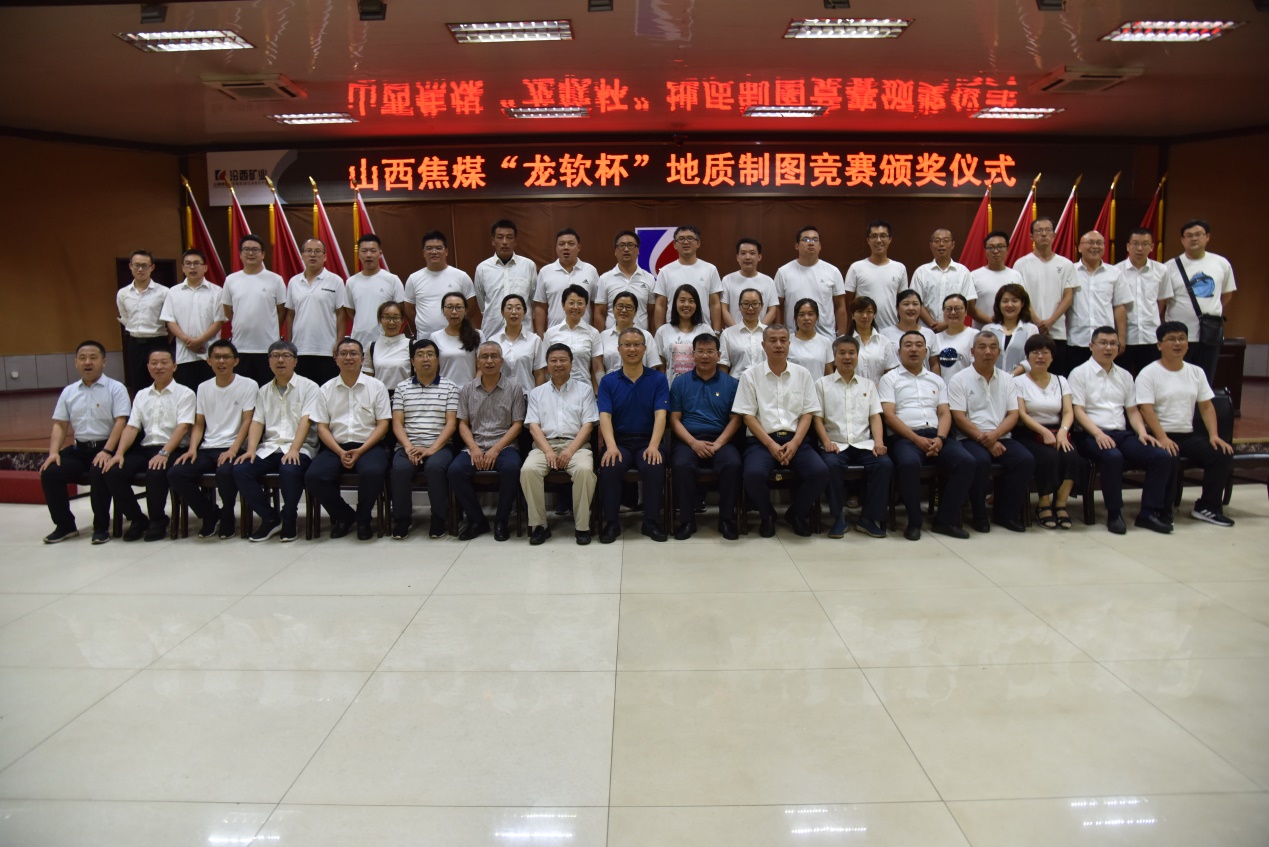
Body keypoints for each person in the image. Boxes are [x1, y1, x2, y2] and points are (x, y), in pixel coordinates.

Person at [1069, 326, 1173, 534]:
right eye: (1103, 343)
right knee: (1113, 457)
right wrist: (1098, 434)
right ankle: (1114, 513)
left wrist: (1142, 433)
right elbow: (1078, 411)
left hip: (1121, 433)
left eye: (1113, 344)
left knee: (1160, 456)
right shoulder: (1079, 374)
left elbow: (1132, 411)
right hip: (1090, 434)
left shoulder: (1125, 375)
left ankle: (1148, 513)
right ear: (1091, 346)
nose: (1108, 348)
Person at [732, 324, 829, 537]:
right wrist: (770, 444)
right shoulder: (750, 375)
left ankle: (796, 514)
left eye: (783, 340)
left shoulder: (802, 374)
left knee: (820, 472)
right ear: (763, 345)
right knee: (752, 474)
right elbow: (748, 416)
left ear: (789, 344)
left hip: (796, 439)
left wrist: (795, 443)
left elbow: (808, 413)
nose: (778, 345)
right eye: (773, 340)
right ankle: (767, 515)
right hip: (762, 441)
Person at [1136, 321, 1235, 527]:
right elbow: (1146, 409)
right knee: (1168, 456)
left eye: (1182, 339)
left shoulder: (1196, 372)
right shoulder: (1148, 373)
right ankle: (1162, 511)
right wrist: (1162, 438)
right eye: (1171, 339)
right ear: (1159, 345)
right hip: (1159, 434)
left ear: (1188, 344)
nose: (1178, 343)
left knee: (1220, 453)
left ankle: (1208, 507)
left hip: (1187, 434)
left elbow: (1206, 406)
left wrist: (1214, 435)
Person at [879, 332, 975, 540]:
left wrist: (940, 438)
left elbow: (944, 413)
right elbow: (889, 415)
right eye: (908, 345)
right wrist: (917, 440)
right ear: (899, 351)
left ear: (926, 351)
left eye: (918, 345)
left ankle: (945, 521)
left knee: (966, 462)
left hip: (936, 435)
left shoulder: (936, 380)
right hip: (905, 438)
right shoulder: (889, 379)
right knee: (909, 464)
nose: (913, 349)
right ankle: (914, 522)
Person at [39, 340, 131, 544]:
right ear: (76, 363)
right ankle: (65, 525)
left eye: (93, 358)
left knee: (99, 471)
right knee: (51, 472)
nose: (87, 362)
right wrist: (53, 452)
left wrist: (107, 451)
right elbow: (60, 424)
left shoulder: (116, 388)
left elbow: (121, 422)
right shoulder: (69, 391)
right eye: (82, 358)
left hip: (106, 447)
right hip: (79, 450)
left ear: (103, 361)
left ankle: (101, 527)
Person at [164, 338, 254, 538]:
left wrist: (233, 450)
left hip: (235, 447)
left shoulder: (249, 385)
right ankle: (209, 514)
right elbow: (199, 423)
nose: (221, 361)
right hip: (208, 447)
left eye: (226, 357)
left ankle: (228, 516)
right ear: (209, 361)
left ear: (235, 361)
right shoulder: (203, 387)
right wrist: (192, 449)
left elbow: (248, 421)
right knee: (176, 473)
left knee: (225, 472)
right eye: (217, 357)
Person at [102, 348, 195, 541]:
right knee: (113, 471)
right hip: (145, 449)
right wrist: (119, 453)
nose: (158, 367)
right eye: (154, 363)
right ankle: (137, 519)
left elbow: (183, 427)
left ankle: (158, 521)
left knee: (155, 471)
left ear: (174, 366)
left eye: (164, 362)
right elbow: (131, 427)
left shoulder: (185, 393)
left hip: (174, 449)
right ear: (148, 367)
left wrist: (164, 453)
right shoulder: (142, 395)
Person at [948, 331, 1035, 533]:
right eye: (982, 347)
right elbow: (959, 417)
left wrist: (994, 436)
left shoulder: (1008, 379)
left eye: (993, 347)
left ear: (999, 352)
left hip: (1001, 435)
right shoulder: (959, 379)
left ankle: (1006, 514)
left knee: (1025, 460)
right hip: (969, 438)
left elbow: (1013, 414)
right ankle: (979, 515)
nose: (988, 352)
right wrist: (984, 439)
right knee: (980, 461)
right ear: (972, 352)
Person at [232, 339, 318, 542]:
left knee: (289, 469)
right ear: (269, 361)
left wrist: (294, 449)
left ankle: (289, 519)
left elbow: (306, 420)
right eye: (275, 356)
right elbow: (257, 421)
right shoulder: (263, 391)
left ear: (295, 361)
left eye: (286, 356)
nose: (280, 360)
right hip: (270, 448)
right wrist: (251, 449)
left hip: (300, 448)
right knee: (240, 470)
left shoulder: (309, 387)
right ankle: (270, 518)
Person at [306, 337, 392, 540]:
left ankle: (363, 519)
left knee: (373, 472)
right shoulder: (326, 389)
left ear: (362, 359)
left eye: (353, 353)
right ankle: (344, 515)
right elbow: (322, 427)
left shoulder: (376, 386)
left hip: (369, 446)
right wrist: (339, 451)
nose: (348, 358)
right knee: (313, 476)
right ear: (335, 359)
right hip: (336, 447)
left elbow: (383, 424)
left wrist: (361, 451)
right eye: (343, 354)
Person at [597, 327, 671, 543]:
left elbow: (661, 415)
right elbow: (605, 416)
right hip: (619, 442)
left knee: (654, 465)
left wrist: (654, 446)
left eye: (637, 345)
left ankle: (651, 522)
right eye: (627, 345)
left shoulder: (658, 379)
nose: (632, 349)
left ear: (644, 348)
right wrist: (611, 446)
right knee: (609, 465)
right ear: (619, 349)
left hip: (648, 441)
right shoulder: (608, 381)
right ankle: (611, 523)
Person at [520, 343, 599, 545]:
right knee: (528, 470)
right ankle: (540, 526)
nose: (558, 364)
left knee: (584, 471)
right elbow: (533, 426)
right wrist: (548, 451)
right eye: (553, 360)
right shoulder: (537, 393)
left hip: (577, 446)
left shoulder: (584, 390)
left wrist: (570, 451)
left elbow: (588, 425)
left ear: (571, 363)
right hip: (544, 446)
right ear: (547, 365)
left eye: (563, 360)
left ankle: (582, 527)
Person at [814, 335, 892, 539]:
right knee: (830, 465)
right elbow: (817, 418)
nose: (847, 357)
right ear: (834, 356)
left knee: (884, 464)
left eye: (851, 353)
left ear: (858, 356)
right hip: (835, 444)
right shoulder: (822, 384)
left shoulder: (868, 385)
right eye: (842, 353)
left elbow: (875, 416)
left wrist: (879, 442)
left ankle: (868, 518)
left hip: (863, 443)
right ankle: (838, 518)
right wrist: (826, 442)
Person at [448, 342, 526, 541]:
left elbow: (517, 425)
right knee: (455, 471)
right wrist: (474, 448)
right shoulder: (467, 389)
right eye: (484, 357)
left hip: (505, 445)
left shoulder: (514, 388)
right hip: (475, 445)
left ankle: (501, 521)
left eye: (494, 356)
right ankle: (477, 520)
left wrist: (496, 449)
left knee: (511, 468)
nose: (489, 361)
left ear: (501, 361)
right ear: (478, 362)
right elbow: (462, 424)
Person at [669, 333, 743, 540]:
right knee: (681, 465)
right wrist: (693, 443)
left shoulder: (732, 384)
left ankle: (726, 520)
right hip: (688, 439)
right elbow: (674, 420)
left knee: (733, 464)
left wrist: (718, 444)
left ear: (718, 355)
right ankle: (686, 521)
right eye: (700, 351)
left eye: (710, 351)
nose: (705, 356)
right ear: (692, 355)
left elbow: (735, 419)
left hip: (721, 438)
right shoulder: (680, 383)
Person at [387, 338, 458, 540]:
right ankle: (402, 519)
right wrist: (408, 447)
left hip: (440, 446)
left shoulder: (450, 387)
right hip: (408, 445)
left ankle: (439, 518)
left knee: (435, 468)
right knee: (400, 469)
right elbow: (397, 423)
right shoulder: (401, 388)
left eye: (430, 355)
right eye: (420, 355)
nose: (425, 359)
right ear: (412, 361)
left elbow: (451, 424)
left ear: (437, 360)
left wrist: (432, 449)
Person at [1013, 334, 1081, 530]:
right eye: (1035, 352)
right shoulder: (1018, 382)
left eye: (1045, 352)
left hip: (1058, 431)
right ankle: (1043, 504)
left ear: (1052, 357)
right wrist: (1043, 431)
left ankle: (1060, 505)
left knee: (1072, 457)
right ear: (1027, 357)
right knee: (1049, 458)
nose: (1040, 356)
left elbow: (1068, 411)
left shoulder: (1061, 381)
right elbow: (1021, 414)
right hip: (1028, 433)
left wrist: (1063, 431)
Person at [1162, 219, 1237, 385]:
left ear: (1207, 237)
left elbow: (1227, 295)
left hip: (1209, 334)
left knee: (1204, 381)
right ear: (1182, 240)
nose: (1194, 238)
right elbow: (1162, 301)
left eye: (1198, 234)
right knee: (1176, 381)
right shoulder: (1169, 267)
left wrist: (1211, 311)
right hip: (1178, 336)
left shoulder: (1221, 263)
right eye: (1189, 235)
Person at [1014, 217, 1078, 374]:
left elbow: (1068, 296)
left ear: (1054, 235)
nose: (1044, 234)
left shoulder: (1066, 264)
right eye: (1039, 231)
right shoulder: (1021, 264)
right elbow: (1020, 296)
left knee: (1056, 377)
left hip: (1057, 332)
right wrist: (1037, 321)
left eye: (1048, 230)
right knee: (1029, 377)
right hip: (1029, 330)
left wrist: (1050, 321)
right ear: (1031, 236)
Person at [221, 235, 287, 384]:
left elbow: (282, 310)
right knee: (243, 391)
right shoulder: (231, 280)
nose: (251, 253)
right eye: (246, 249)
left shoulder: (275, 279)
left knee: (268, 390)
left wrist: (271, 327)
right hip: (240, 347)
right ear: (240, 254)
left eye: (255, 250)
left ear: (263, 254)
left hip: (268, 348)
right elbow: (228, 309)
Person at [284, 238, 347, 385]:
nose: (313, 255)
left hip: (327, 349)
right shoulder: (294, 282)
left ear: (324, 256)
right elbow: (290, 314)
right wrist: (289, 343)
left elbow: (341, 314)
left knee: (326, 391)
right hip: (300, 348)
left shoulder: (335, 281)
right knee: (302, 392)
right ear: (302, 255)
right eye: (308, 251)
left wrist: (339, 342)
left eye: (317, 251)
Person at [1068, 230, 1131, 373]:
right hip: (1076, 340)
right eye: (1090, 242)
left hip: (1105, 342)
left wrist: (1121, 337)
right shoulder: (1070, 270)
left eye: (1099, 243)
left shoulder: (1114, 273)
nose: (1095, 246)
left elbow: (1119, 306)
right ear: (1079, 247)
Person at [162, 248, 224, 390]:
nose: (192, 267)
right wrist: (187, 340)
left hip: (209, 354)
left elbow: (219, 321)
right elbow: (170, 321)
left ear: (205, 267)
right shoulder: (173, 292)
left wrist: (199, 341)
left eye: (196, 263)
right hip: (184, 355)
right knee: (187, 395)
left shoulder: (217, 291)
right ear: (183, 268)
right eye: (188, 264)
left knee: (210, 395)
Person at [404, 231, 479, 337]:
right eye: (429, 248)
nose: (434, 252)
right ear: (423, 253)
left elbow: (471, 307)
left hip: (455, 336)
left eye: (438, 248)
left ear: (446, 251)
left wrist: (457, 322)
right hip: (425, 338)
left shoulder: (461, 276)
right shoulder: (414, 278)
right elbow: (409, 309)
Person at [775, 225, 846, 338]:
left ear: (820, 246)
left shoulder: (833, 271)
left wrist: (842, 337)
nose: (811, 243)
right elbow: (777, 306)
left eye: (815, 240)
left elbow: (841, 306)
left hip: (826, 336)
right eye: (806, 240)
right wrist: (779, 333)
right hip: (793, 337)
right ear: (796, 245)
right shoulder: (783, 272)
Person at [1115, 227, 1168, 376]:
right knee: (1122, 379)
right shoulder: (1116, 271)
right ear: (1128, 246)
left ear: (1152, 247)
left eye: (1145, 244)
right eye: (1135, 243)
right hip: (1125, 338)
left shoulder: (1161, 270)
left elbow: (1161, 301)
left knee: (1150, 379)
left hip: (1151, 337)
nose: (1140, 248)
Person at [116, 248, 170, 393]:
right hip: (134, 344)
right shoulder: (123, 293)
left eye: (144, 265)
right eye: (137, 265)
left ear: (152, 267)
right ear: (130, 266)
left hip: (158, 342)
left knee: (162, 382)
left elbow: (170, 320)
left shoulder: (164, 292)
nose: (140, 269)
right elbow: (125, 318)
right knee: (138, 384)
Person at [473, 219, 536, 340]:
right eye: (500, 237)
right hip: (492, 332)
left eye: (509, 237)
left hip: (523, 334)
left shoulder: (528, 266)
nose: (505, 242)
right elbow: (482, 303)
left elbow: (533, 300)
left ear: (515, 241)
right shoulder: (482, 268)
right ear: (493, 241)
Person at [652, 225, 722, 331]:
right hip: (673, 331)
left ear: (698, 243)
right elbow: (660, 305)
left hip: (702, 331)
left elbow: (714, 304)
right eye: (681, 239)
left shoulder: (710, 269)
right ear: (675, 244)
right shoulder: (665, 271)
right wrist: (659, 333)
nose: (685, 242)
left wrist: (716, 332)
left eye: (690, 238)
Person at [537, 284, 604, 391]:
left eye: (580, 303)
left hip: (584, 390)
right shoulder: (551, 333)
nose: (575, 307)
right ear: (563, 305)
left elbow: (597, 367)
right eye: (571, 303)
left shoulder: (593, 333)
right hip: (556, 390)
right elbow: (544, 367)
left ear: (586, 306)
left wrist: (603, 390)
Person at [344, 234, 405, 348]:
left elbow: (401, 310)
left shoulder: (392, 280)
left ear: (380, 254)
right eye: (364, 251)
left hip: (386, 343)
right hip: (359, 343)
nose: (368, 255)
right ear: (358, 254)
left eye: (373, 251)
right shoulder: (351, 282)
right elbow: (350, 311)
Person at [844, 220, 908, 330]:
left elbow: (903, 301)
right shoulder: (856, 268)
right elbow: (848, 301)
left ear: (890, 239)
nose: (878, 240)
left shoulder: (900, 268)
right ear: (868, 240)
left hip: (891, 328)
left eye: (883, 236)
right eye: (874, 236)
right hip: (863, 329)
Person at [533, 228, 599, 333]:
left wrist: (596, 333)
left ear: (579, 247)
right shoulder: (545, 272)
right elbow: (540, 307)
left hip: (584, 333)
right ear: (556, 247)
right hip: (555, 334)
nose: (566, 247)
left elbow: (597, 306)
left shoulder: (590, 271)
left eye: (571, 244)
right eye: (561, 244)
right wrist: (540, 336)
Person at [912, 228, 976, 331]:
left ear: (953, 244)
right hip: (926, 330)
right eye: (937, 241)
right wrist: (933, 325)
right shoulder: (921, 272)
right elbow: (916, 302)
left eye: (946, 241)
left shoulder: (963, 272)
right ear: (931, 245)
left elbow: (968, 302)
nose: (941, 244)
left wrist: (946, 324)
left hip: (955, 330)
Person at [595, 230, 657, 331]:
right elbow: (600, 313)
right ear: (615, 251)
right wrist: (600, 338)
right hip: (613, 337)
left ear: (638, 250)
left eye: (631, 245)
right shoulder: (605, 279)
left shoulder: (649, 279)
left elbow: (652, 314)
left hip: (640, 337)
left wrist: (652, 337)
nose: (626, 249)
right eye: (622, 245)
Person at [654, 283, 709, 385]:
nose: (686, 305)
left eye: (691, 301)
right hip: (671, 388)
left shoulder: (706, 330)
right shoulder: (663, 331)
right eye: (682, 300)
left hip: (700, 388)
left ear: (697, 305)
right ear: (675, 303)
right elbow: (661, 369)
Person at [982, 284, 1042, 376]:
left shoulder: (1030, 329)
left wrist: (1011, 376)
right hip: (991, 379)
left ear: (1022, 304)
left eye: (1014, 301)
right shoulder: (988, 329)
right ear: (999, 304)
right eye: (1005, 301)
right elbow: (980, 357)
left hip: (1020, 380)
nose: (1010, 305)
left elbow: (1033, 357)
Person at [489, 293, 542, 397]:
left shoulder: (535, 340)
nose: (514, 312)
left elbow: (539, 374)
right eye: (509, 308)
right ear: (502, 313)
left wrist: (538, 399)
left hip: (527, 397)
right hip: (500, 397)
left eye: (518, 308)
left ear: (524, 312)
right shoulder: (493, 341)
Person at [720, 238, 779, 327]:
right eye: (743, 253)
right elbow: (724, 310)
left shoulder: (769, 281)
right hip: (734, 332)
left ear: (759, 257)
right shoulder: (727, 280)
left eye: (752, 253)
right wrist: (736, 330)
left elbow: (772, 311)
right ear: (737, 257)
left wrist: (759, 330)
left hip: (761, 333)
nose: (747, 257)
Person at [598, 291, 661, 373]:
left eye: (629, 307)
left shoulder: (646, 336)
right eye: (620, 306)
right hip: (610, 380)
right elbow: (598, 366)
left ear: (635, 311)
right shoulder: (603, 336)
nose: (624, 310)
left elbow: (653, 367)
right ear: (613, 309)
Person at [970, 230, 1022, 326]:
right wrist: (993, 323)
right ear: (985, 251)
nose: (995, 251)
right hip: (982, 331)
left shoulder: (1016, 276)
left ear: (1007, 249)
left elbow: (1022, 303)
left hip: (1010, 329)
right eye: (990, 247)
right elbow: (970, 308)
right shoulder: (973, 276)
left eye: (1000, 247)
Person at [880, 289, 938, 371]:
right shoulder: (885, 334)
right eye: (906, 304)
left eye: (915, 304)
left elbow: (934, 364)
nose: (911, 308)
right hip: (895, 378)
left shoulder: (929, 333)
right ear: (897, 308)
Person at [363, 301, 411, 398]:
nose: (391, 322)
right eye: (387, 317)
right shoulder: (372, 346)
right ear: (380, 320)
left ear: (402, 320)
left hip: (406, 397)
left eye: (396, 318)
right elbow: (368, 380)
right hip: (379, 398)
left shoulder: (411, 345)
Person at [718, 287, 767, 378]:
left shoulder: (769, 333)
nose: (750, 308)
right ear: (739, 307)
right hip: (737, 382)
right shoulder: (727, 334)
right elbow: (723, 366)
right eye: (746, 304)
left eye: (755, 304)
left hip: (764, 382)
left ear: (762, 306)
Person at [432, 291, 480, 384]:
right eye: (449, 307)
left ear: (465, 310)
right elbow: (434, 368)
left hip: (470, 389)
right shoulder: (435, 337)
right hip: (444, 389)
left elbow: (481, 367)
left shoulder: (477, 334)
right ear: (443, 311)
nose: (454, 312)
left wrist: (474, 387)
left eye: (458, 307)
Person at [849, 296, 898, 385]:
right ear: (852, 315)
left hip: (878, 390)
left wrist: (876, 388)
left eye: (869, 312)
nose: (865, 316)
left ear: (874, 315)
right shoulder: (844, 341)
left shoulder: (884, 342)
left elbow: (890, 373)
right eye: (860, 311)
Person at [933, 294, 976, 385]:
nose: (953, 312)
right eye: (948, 309)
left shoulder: (974, 335)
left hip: (966, 389)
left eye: (958, 308)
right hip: (943, 390)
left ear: (966, 312)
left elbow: (977, 368)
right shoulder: (936, 338)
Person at [788, 298, 834, 376]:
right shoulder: (787, 341)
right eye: (801, 315)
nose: (806, 318)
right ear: (795, 318)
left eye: (810, 314)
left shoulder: (826, 342)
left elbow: (829, 374)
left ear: (817, 317)